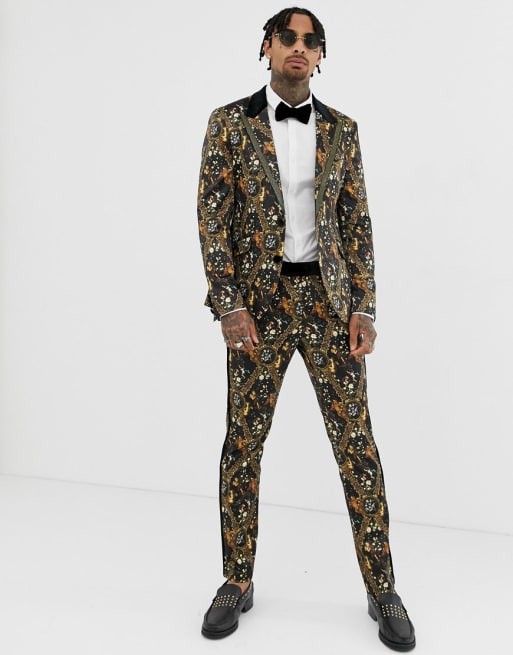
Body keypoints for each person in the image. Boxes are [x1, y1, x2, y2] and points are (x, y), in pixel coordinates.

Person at [196, 7, 416, 651]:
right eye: (288, 37)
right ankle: (236, 580)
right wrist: (228, 303)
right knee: (243, 443)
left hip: (329, 306)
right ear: (266, 47)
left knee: (357, 447)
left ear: (321, 56)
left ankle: (382, 588)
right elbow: (211, 217)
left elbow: (357, 222)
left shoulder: (343, 130)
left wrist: (364, 307)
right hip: (257, 310)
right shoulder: (228, 123)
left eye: (311, 41)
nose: (300, 47)